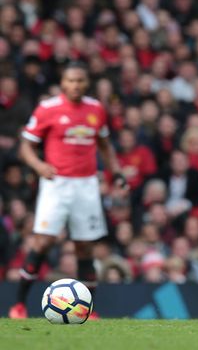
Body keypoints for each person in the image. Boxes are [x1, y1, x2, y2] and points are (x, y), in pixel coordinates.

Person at [8, 62, 126, 319]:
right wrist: (39, 165)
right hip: (56, 184)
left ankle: (89, 311)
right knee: (42, 242)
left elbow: (105, 146)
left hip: (86, 185)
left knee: (85, 247)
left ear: (87, 83)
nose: (75, 85)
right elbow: (26, 146)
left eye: (80, 81)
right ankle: (18, 305)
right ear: (63, 83)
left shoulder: (96, 109)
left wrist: (115, 172)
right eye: (71, 81)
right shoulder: (48, 109)